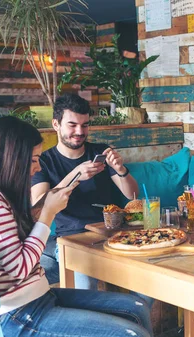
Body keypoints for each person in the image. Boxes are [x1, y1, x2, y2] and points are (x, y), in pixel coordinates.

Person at [0, 116, 152, 337]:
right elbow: (19, 268)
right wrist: (48, 213)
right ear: (9, 158)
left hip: (37, 299)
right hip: (16, 315)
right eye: (33, 160)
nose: (38, 167)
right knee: (131, 333)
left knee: (137, 309)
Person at [31, 94, 139, 289]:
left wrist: (121, 170)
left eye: (85, 125)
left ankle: (129, 316)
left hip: (112, 232)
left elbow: (132, 196)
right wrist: (75, 175)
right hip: (72, 239)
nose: (80, 131)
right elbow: (38, 205)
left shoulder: (100, 152)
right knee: (85, 286)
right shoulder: (44, 161)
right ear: (56, 124)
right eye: (72, 125)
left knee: (146, 284)